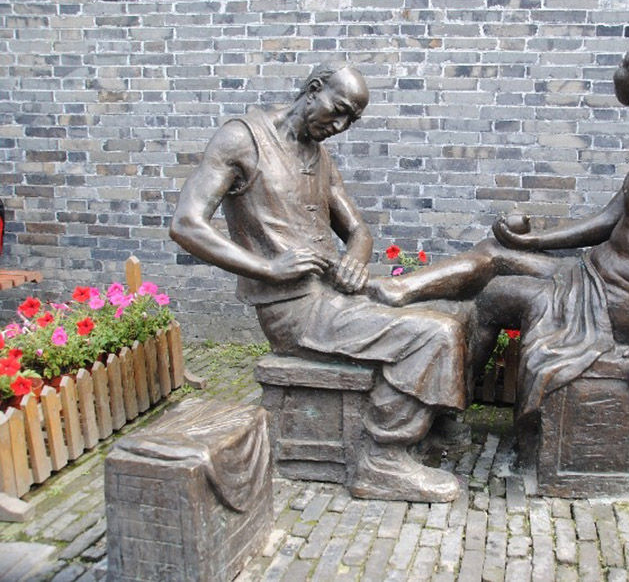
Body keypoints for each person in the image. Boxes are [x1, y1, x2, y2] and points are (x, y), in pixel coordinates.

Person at [369, 32, 629, 413]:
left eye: (626, 64)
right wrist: (532, 242)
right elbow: (611, 218)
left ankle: (443, 418)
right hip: (595, 275)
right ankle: (397, 290)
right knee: (495, 252)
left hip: (614, 302)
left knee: (492, 297)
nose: (618, 69)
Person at [169, 64, 467, 502]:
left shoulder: (319, 156)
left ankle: (430, 426)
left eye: (352, 120)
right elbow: (186, 224)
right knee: (435, 335)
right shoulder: (242, 140)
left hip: (333, 294)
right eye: (339, 110)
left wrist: (355, 262)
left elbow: (359, 232)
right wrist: (268, 268)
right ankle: (382, 460)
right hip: (294, 309)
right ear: (313, 90)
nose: (341, 126)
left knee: (456, 311)